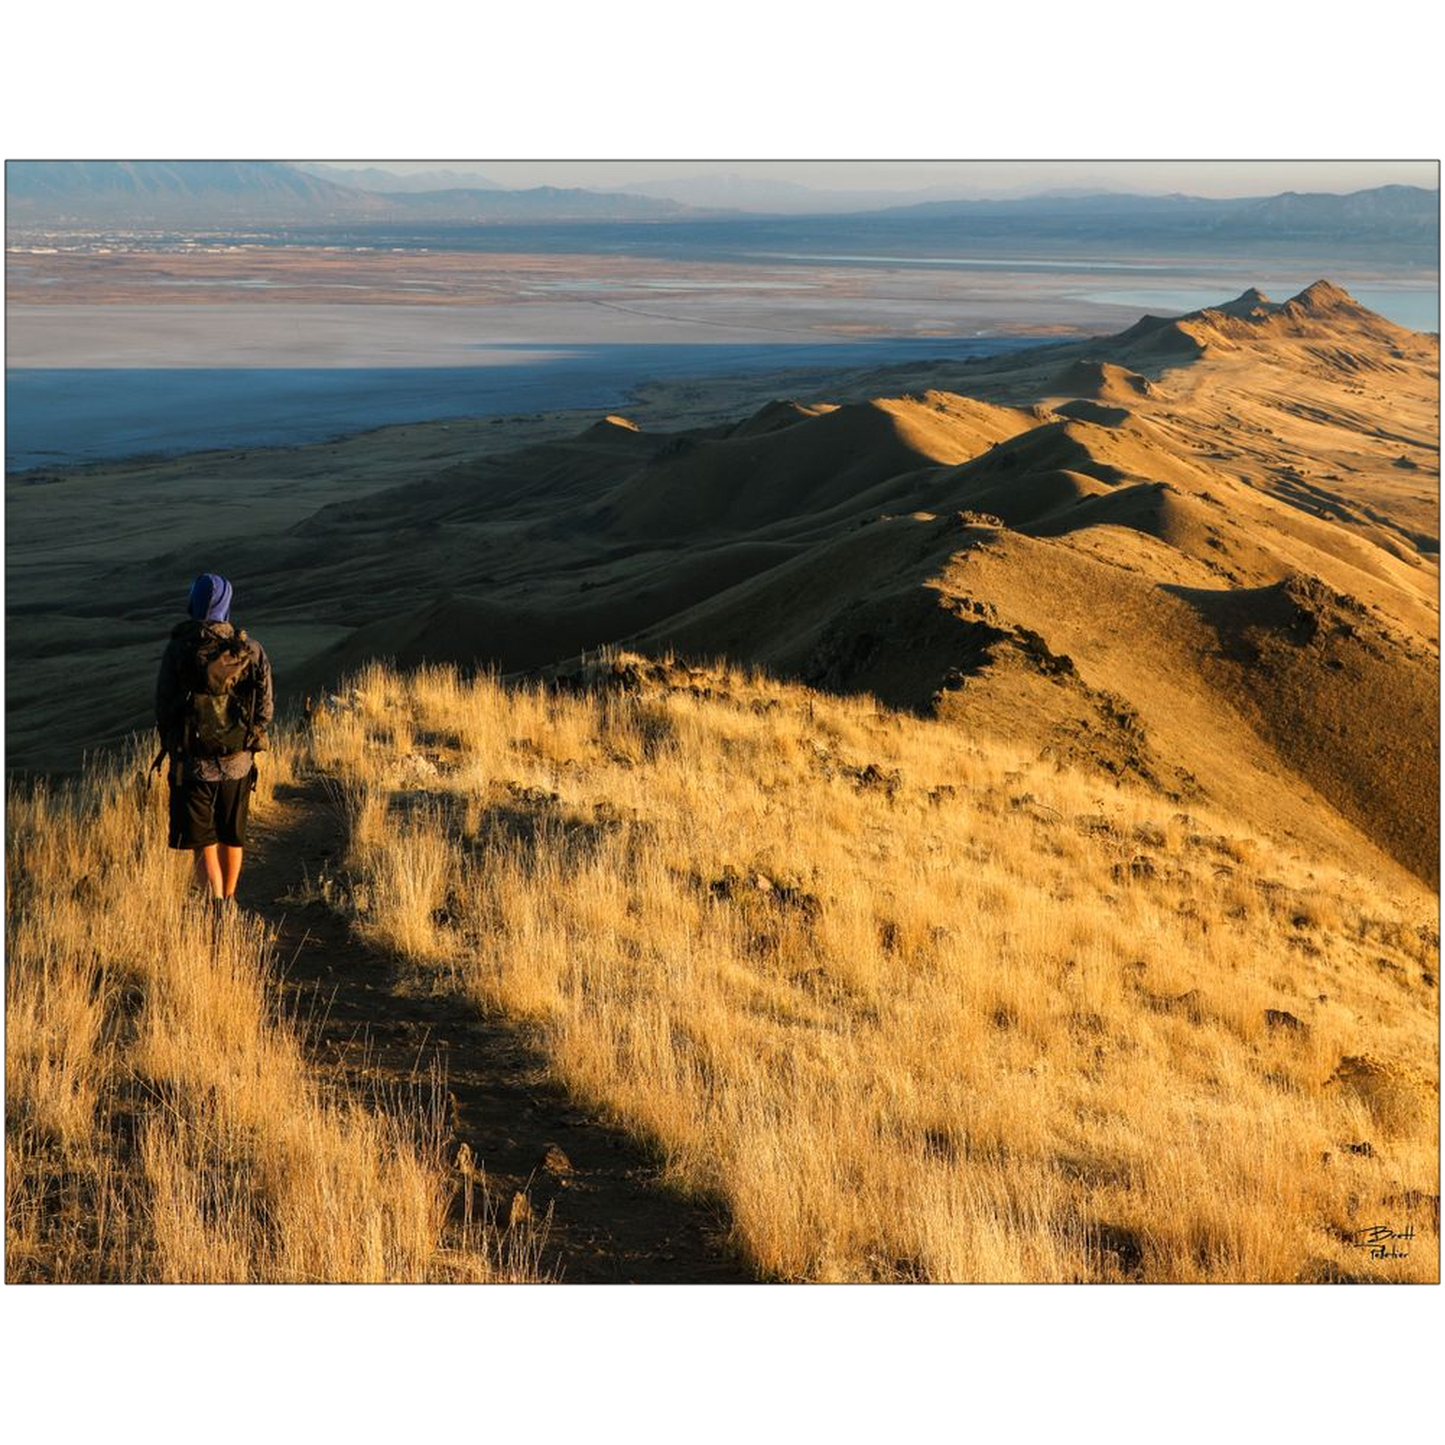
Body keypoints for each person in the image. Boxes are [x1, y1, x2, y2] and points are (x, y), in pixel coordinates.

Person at [154, 573, 274, 913]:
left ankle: (217, 911)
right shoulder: (249, 650)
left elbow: (164, 707)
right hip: (238, 763)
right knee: (231, 836)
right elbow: (265, 708)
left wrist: (177, 746)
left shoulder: (179, 648)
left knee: (203, 842)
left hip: (193, 766)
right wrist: (248, 741)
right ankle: (230, 901)